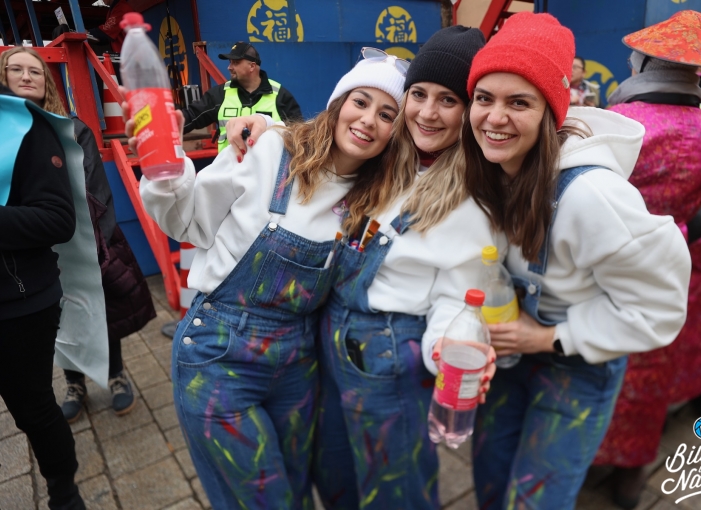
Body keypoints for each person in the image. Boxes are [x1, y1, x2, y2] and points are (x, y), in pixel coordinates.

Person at [132, 56, 404, 509]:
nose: (368, 120)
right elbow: (187, 222)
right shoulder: (271, 150)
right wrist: (165, 167)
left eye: (387, 114)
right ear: (339, 103)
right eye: (361, 102)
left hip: (298, 363)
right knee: (263, 500)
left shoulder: (376, 195)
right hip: (219, 354)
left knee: (294, 492)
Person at [461, 12, 691, 510]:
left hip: (578, 365)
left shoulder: (593, 196)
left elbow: (660, 308)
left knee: (534, 502)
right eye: (484, 98)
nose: (494, 118)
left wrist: (546, 337)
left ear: (552, 109)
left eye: (518, 102)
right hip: (507, 357)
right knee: (491, 483)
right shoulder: (485, 170)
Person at [311, 29, 496, 510]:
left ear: (469, 110)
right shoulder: (384, 160)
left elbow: (460, 296)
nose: (428, 112)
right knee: (334, 473)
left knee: (396, 489)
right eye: (419, 94)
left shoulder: (472, 198)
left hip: (389, 358)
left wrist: (445, 349)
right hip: (329, 344)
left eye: (448, 100)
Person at [592, 12, 701, 509]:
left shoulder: (623, 123)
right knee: (651, 367)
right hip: (673, 264)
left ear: (645, 63)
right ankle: (632, 472)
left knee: (603, 362)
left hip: (611, 267)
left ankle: (590, 455)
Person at [0, 46, 157, 423]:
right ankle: (74, 383)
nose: (26, 76)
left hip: (88, 240)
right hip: (33, 248)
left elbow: (96, 188)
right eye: (16, 69)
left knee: (102, 311)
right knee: (61, 320)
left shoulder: (72, 129)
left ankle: (115, 374)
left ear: (47, 82)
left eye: (35, 71)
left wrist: (98, 245)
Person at [0, 81, 84, 508]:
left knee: (33, 408)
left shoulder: (21, 123)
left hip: (18, 303)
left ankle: (64, 494)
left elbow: (58, 218)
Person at [181, 41, 302, 151]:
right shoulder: (219, 95)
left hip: (267, 168)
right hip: (231, 167)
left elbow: (299, 136)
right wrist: (174, 120)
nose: (229, 67)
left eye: (236, 63)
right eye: (230, 62)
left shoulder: (280, 96)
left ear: (252, 66)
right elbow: (191, 117)